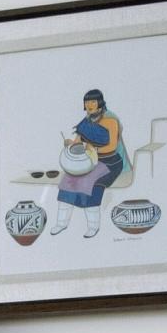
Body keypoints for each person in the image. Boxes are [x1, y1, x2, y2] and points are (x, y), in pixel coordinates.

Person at [50, 88, 129, 238]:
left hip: (110, 162)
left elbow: (111, 146)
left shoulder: (110, 121)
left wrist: (92, 149)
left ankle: (93, 227)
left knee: (89, 182)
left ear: (100, 103)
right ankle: (61, 223)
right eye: (87, 102)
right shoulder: (85, 122)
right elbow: (78, 142)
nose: (89, 104)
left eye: (93, 101)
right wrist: (70, 144)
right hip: (88, 160)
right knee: (68, 180)